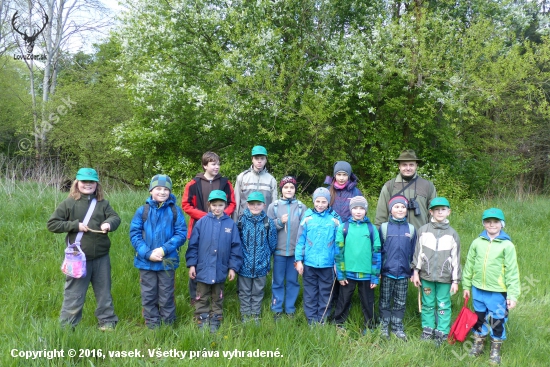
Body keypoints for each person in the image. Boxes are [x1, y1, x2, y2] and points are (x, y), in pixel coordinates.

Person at [47, 168, 121, 330]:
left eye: (91, 182)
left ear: (97, 185)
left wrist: (109, 223)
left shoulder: (103, 204)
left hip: (101, 257)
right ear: (77, 183)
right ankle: (67, 326)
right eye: (84, 182)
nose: (88, 185)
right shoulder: (68, 203)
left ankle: (107, 322)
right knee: (74, 293)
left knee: (104, 293)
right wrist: (75, 225)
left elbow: (115, 217)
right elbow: (52, 224)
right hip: (78, 258)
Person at [462, 208, 520, 366]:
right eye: (488, 221)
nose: (492, 224)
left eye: (495, 222)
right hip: (478, 290)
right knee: (479, 319)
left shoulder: (507, 245)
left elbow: (512, 271)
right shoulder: (477, 242)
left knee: (496, 320)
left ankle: (495, 350)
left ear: (502, 224)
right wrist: (466, 285)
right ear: (483, 223)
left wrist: (512, 295)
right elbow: (469, 266)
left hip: (497, 292)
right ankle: (478, 345)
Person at [129, 175, 187, 329]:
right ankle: (152, 324)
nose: (162, 192)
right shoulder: (143, 211)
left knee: (167, 295)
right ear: (151, 190)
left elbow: (181, 234)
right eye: (158, 189)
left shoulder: (175, 211)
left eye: (166, 189)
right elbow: (134, 235)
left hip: (167, 262)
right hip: (145, 263)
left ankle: (168, 324)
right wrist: (147, 253)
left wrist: (163, 249)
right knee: (148, 295)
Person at [182, 151, 236, 305]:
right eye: (213, 164)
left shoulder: (226, 183)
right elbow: (186, 205)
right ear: (205, 165)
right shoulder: (193, 184)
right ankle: (196, 298)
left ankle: (216, 298)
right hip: (199, 229)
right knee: (198, 262)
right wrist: (205, 217)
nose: (217, 167)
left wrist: (222, 216)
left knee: (218, 261)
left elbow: (232, 203)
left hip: (221, 230)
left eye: (218, 164)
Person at [185, 190, 243, 333]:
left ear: (225, 206)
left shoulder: (230, 224)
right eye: (214, 205)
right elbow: (193, 246)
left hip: (220, 268)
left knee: (218, 296)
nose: (217, 208)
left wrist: (232, 268)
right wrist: (192, 265)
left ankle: (216, 318)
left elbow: (236, 248)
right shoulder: (201, 223)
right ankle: (201, 318)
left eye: (220, 205)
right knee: (201, 295)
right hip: (203, 268)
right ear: (209, 205)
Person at [411, 197, 461, 345]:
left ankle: (442, 331)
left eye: (443, 209)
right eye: (437, 210)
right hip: (425, 276)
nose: (440, 212)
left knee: (443, 304)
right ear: (431, 212)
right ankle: (427, 329)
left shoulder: (453, 234)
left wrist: (455, 280)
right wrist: (415, 272)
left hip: (445, 278)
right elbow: (417, 253)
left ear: (449, 212)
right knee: (427, 303)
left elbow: (456, 259)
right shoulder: (423, 231)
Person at [333, 196, 381, 334]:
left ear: (366, 210)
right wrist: (340, 275)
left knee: (368, 302)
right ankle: (338, 323)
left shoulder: (372, 229)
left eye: (361, 208)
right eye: (355, 208)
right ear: (350, 210)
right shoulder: (343, 228)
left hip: (366, 274)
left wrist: (375, 276)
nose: (358, 211)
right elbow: (339, 253)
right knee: (344, 300)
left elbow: (377, 253)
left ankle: (370, 326)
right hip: (348, 274)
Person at [295, 187, 341, 325]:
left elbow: (339, 244)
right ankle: (311, 320)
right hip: (310, 264)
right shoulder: (307, 218)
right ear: (313, 201)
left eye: (324, 202)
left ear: (329, 202)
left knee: (325, 294)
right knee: (310, 293)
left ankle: (322, 319)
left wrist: (337, 263)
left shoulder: (335, 220)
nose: (320, 204)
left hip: (327, 265)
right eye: (318, 201)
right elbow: (300, 240)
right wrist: (298, 260)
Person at [323, 161, 362, 313]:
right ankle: (329, 303)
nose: (341, 178)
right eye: (338, 174)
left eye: (344, 175)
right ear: (334, 175)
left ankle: (344, 303)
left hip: (348, 236)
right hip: (330, 236)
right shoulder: (328, 191)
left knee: (344, 268)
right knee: (331, 268)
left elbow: (360, 212)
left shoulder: (355, 192)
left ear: (349, 176)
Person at [267, 176, 306, 320]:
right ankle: (277, 308)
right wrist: (278, 222)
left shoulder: (301, 207)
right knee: (277, 281)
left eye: (292, 187)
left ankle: (290, 309)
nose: (289, 190)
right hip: (278, 252)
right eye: (286, 187)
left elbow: (305, 231)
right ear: (281, 189)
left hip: (295, 253)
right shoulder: (274, 206)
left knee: (292, 281)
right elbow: (267, 227)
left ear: (295, 189)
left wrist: (301, 253)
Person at [378, 195, 417, 341]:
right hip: (387, 272)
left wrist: (413, 271)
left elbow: (414, 252)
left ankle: (397, 327)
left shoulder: (412, 229)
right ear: (390, 210)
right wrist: (379, 270)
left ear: (407, 210)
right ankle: (383, 326)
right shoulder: (384, 228)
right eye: (396, 207)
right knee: (384, 300)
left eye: (403, 207)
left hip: (404, 273)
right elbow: (379, 250)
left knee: (400, 301)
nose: (400, 209)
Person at [236, 191, 277, 323]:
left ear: (264, 205)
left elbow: (272, 244)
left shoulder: (268, 223)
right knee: (244, 292)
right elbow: (237, 243)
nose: (255, 207)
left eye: (258, 204)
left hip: (261, 265)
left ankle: (255, 315)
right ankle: (245, 315)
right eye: (252, 204)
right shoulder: (241, 221)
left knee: (258, 292)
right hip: (244, 265)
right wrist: (240, 261)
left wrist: (265, 260)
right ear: (247, 205)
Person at [375, 150, 437, 230]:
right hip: (394, 237)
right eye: (404, 165)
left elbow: (434, 214)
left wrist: (432, 234)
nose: (408, 168)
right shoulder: (389, 186)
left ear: (416, 166)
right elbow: (381, 215)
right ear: (399, 166)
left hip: (421, 237)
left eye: (411, 165)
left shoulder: (428, 186)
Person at [233, 145, 277, 221]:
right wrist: (235, 223)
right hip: (244, 221)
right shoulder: (242, 177)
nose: (259, 161)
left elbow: (274, 206)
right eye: (256, 158)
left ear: (266, 160)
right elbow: (236, 202)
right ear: (252, 159)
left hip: (264, 223)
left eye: (262, 158)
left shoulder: (271, 180)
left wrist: (272, 224)